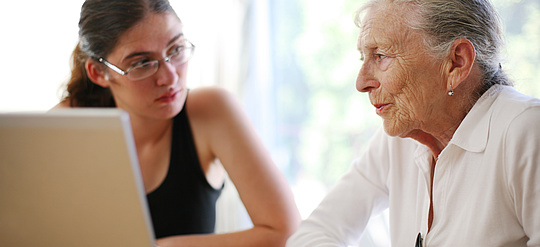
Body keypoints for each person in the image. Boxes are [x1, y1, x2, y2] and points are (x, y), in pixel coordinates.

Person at [286, 0, 540, 246]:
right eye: (363, 58)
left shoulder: (525, 131)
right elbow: (313, 234)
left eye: (381, 56)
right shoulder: (398, 139)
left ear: (456, 63)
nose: (361, 83)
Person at [53, 0, 301, 246]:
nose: (169, 77)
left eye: (175, 50)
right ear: (99, 73)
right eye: (141, 63)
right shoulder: (69, 124)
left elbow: (285, 232)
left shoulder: (211, 111)